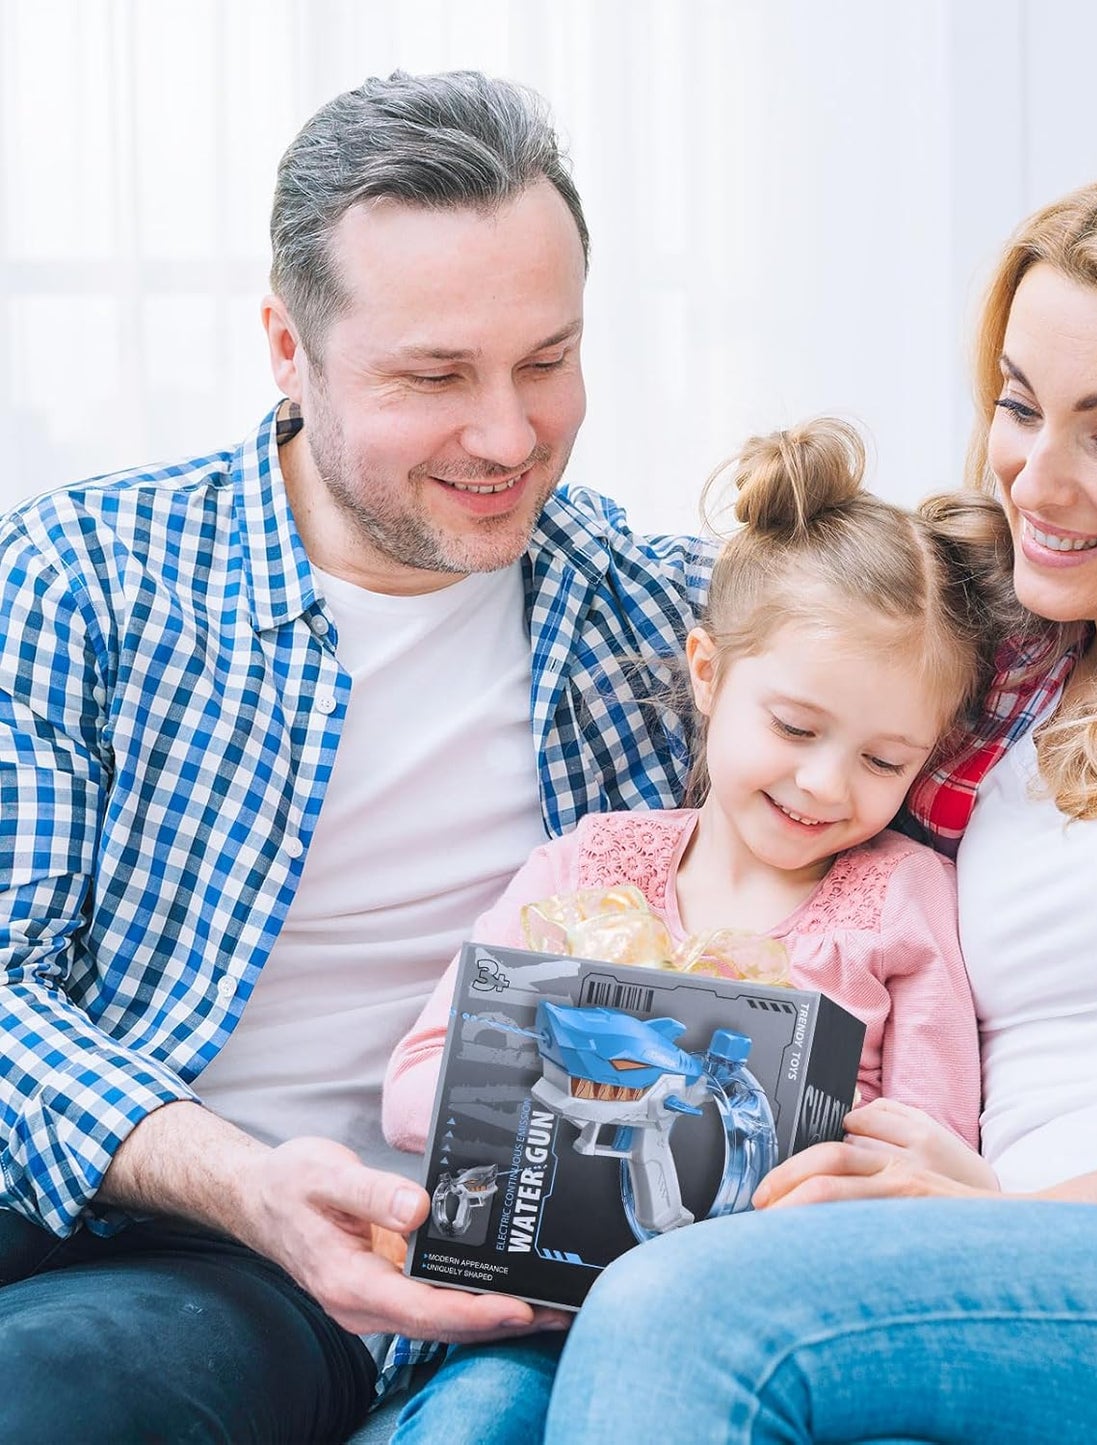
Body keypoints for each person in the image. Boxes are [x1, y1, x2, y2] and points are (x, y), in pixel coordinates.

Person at [538, 159, 1097, 1441]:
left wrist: (1026, 1219)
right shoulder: (999, 654)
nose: (1035, 479)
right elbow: (786, 595)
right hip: (1018, 1266)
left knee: (695, 1313)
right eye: (1020, 407)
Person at [0, 69, 714, 1443]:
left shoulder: (659, 620)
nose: (508, 437)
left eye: (548, 362)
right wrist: (244, 1181)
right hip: (157, 1216)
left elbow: (951, 628)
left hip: (406, 1293)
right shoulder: (81, 578)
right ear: (287, 345)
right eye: (434, 376)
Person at [381, 417, 1008, 1441]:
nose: (823, 783)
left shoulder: (899, 895)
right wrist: (575, 1061)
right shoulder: (588, 863)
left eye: (883, 760)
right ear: (708, 673)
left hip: (771, 1322)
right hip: (535, 1320)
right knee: (469, 1424)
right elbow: (411, 1091)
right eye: (795, 727)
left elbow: (927, 1152)